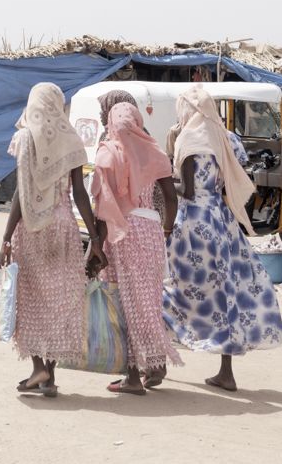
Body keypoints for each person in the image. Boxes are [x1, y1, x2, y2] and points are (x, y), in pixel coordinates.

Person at [163, 86, 282, 392]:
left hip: (194, 222)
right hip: (222, 220)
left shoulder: (191, 139)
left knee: (172, 288)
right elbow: (231, 176)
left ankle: (157, 361)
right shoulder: (226, 137)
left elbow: (188, 192)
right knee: (226, 292)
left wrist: (163, 183)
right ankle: (225, 372)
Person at [0, 83, 105, 397]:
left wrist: (5, 237)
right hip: (64, 225)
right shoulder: (71, 138)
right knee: (59, 300)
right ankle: (50, 377)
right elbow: (80, 193)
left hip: (32, 226)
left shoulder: (25, 137)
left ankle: (38, 368)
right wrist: (94, 237)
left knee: (30, 298)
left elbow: (21, 193)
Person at [91, 102, 181, 395]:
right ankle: (155, 364)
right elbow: (170, 196)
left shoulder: (108, 154)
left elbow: (104, 207)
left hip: (123, 233)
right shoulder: (153, 151)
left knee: (126, 303)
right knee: (148, 302)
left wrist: (97, 246)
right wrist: (166, 229)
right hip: (151, 230)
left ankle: (132, 376)